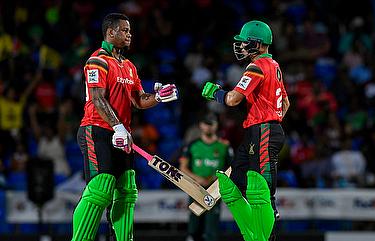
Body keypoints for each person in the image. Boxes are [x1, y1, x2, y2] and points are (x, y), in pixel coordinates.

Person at [71, 13, 178, 241]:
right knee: (101, 189)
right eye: (124, 30)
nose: (130, 34)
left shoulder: (129, 66)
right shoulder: (97, 60)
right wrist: (118, 126)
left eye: (129, 30)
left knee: (127, 193)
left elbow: (138, 100)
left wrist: (158, 97)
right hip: (96, 130)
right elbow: (98, 99)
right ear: (111, 32)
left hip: (121, 135)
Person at [202, 20, 290, 241]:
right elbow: (286, 104)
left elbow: (232, 99)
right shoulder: (275, 66)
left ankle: (265, 234)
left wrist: (215, 92)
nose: (241, 47)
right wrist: (272, 120)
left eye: (245, 43)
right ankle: (254, 234)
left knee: (261, 192)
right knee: (235, 183)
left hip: (263, 131)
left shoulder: (257, 66)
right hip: (262, 131)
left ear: (259, 45)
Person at [179, 112, 233, 241]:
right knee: (194, 226)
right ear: (200, 125)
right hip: (195, 188)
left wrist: (217, 178)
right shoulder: (192, 145)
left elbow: (231, 168)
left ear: (216, 126)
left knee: (211, 228)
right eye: (206, 124)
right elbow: (183, 167)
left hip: (215, 190)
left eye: (211, 124)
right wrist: (198, 179)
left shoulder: (224, 146)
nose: (208, 127)